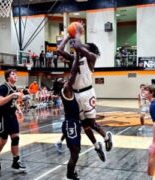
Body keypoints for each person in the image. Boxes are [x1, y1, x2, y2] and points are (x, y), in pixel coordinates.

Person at [57, 30, 112, 162]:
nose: (82, 46)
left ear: (88, 49)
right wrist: (67, 37)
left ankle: (106, 138)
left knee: (91, 123)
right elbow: (59, 50)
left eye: (85, 46)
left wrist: (76, 34)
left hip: (87, 93)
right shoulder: (74, 58)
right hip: (76, 94)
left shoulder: (91, 57)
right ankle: (96, 146)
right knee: (84, 125)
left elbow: (78, 46)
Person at [0, 69, 26, 172]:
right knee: (3, 140)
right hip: (2, 117)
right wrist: (12, 95)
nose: (16, 75)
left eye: (16, 74)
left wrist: (18, 109)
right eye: (13, 74)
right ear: (7, 77)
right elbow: (0, 102)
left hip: (11, 116)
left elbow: (13, 101)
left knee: (15, 138)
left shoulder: (14, 87)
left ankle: (16, 161)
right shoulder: (3, 87)